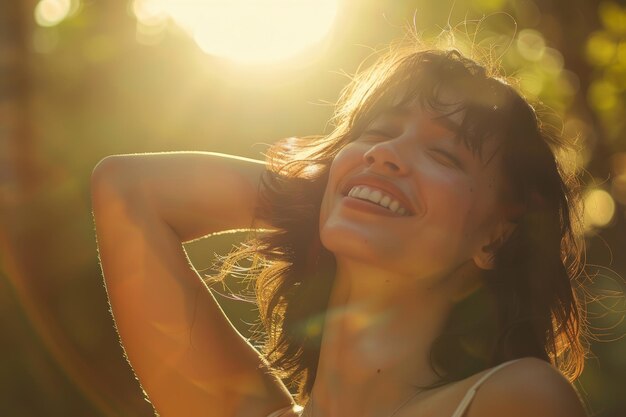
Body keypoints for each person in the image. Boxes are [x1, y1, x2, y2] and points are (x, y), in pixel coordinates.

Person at [91, 43, 590, 417]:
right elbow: (125, 188)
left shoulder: (517, 399)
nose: (384, 153)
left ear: (497, 235)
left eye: (443, 154)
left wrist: (356, 190)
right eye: (375, 134)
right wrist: (331, 189)